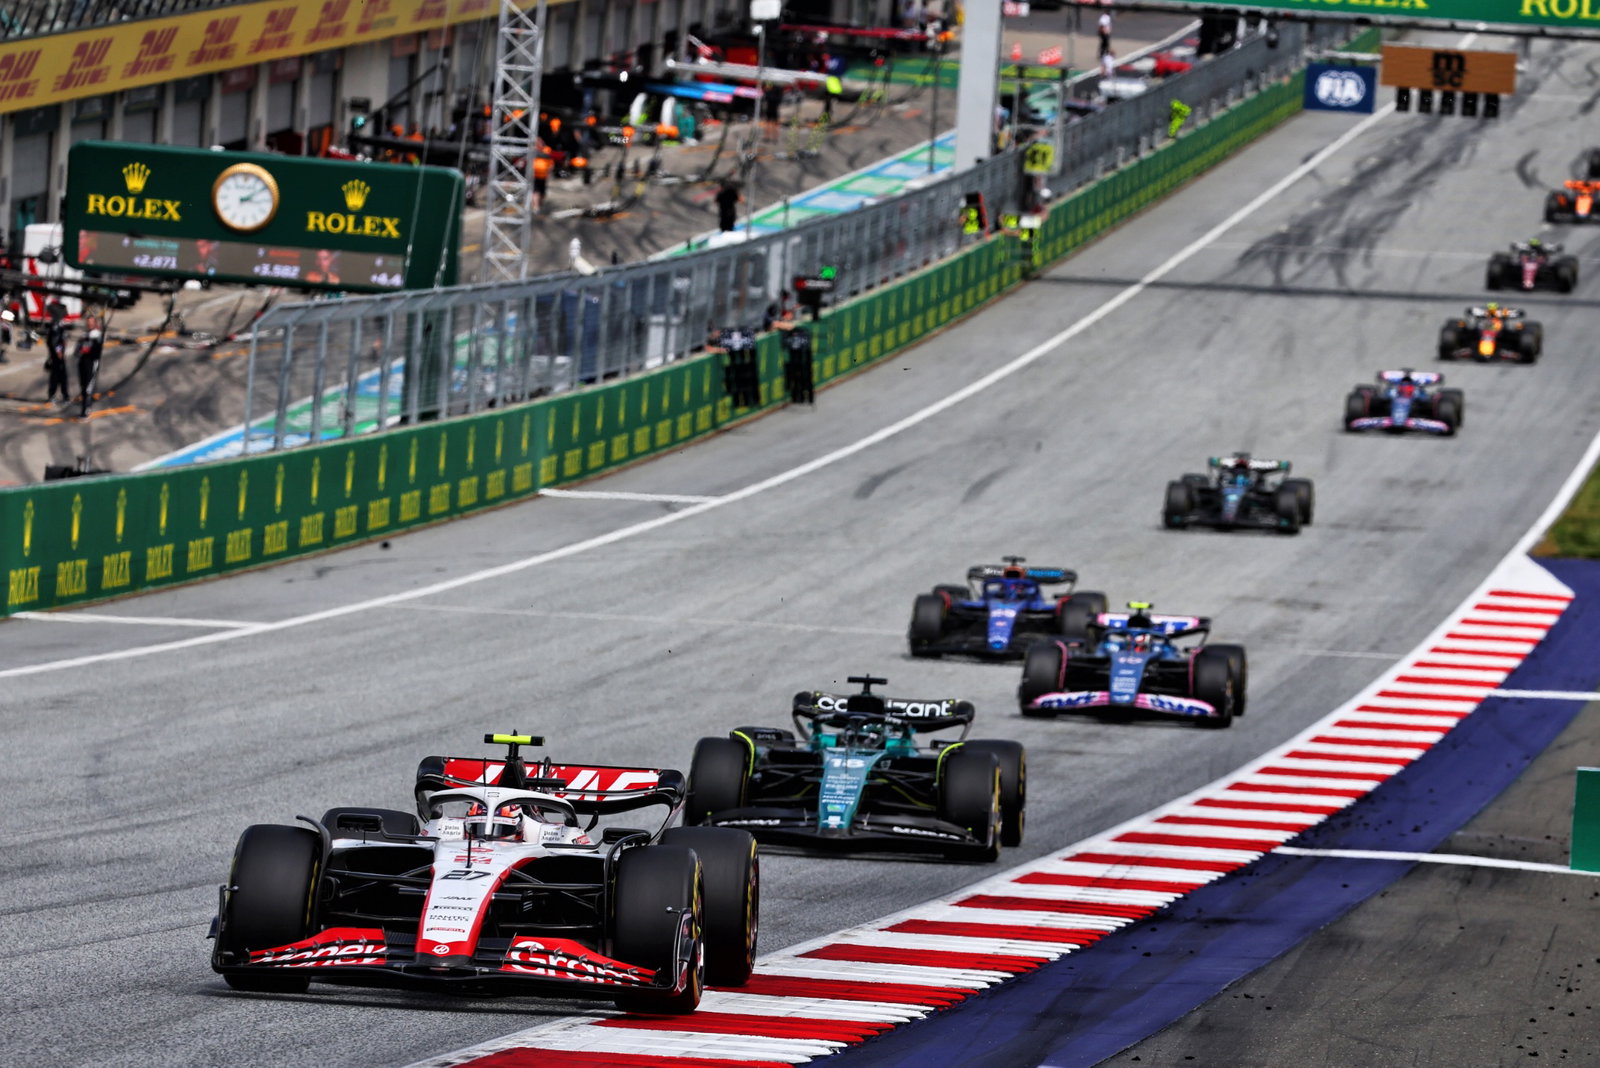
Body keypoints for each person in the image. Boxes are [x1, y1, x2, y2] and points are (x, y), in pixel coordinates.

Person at [76, 316, 103, 417]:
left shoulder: (97, 335)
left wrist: (89, 350)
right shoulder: (84, 335)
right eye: (88, 322)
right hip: (83, 362)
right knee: (83, 386)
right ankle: (86, 405)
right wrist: (80, 350)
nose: (89, 324)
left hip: (91, 363)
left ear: (95, 323)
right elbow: (77, 350)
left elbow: (97, 351)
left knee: (88, 387)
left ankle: (86, 409)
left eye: (92, 322)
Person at [44, 317, 70, 404]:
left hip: (58, 354)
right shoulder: (56, 326)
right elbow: (54, 341)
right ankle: (57, 395)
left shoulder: (59, 325)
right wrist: (58, 351)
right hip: (56, 356)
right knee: (58, 376)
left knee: (60, 375)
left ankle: (63, 395)